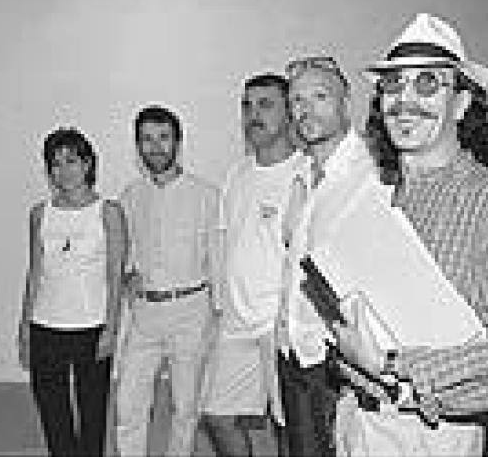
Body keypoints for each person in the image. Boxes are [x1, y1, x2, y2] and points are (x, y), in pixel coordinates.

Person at [336, 12, 488, 456]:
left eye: (427, 83)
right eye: (393, 84)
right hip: (360, 420)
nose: (405, 100)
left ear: (462, 104)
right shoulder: (380, 196)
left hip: (431, 435)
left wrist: (388, 365)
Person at [201, 73, 308, 456]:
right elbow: (225, 243)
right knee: (217, 416)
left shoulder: (305, 173)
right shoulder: (237, 174)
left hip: (279, 325)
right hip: (236, 322)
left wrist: (291, 320)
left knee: (289, 428)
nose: (253, 115)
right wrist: (220, 306)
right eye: (246, 106)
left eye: (265, 105)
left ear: (290, 113)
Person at [276, 55, 378, 456]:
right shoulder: (300, 175)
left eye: (320, 96)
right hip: (295, 354)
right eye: (297, 100)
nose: (306, 109)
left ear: (345, 102)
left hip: (341, 364)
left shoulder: (371, 175)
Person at [114, 105, 221, 456]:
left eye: (163, 138)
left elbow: (217, 257)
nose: (156, 147)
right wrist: (127, 275)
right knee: (128, 404)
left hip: (191, 311)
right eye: (147, 139)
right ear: (138, 146)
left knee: (185, 408)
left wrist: (219, 314)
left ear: (178, 142)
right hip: (144, 313)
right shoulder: (130, 196)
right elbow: (124, 251)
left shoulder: (206, 195)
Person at [17, 127, 127, 456]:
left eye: (71, 161)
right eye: (55, 163)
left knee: (92, 417)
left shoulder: (108, 212)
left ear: (88, 164)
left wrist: (111, 328)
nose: (64, 170)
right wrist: (25, 327)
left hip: (91, 328)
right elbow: (35, 272)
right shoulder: (40, 213)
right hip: (45, 327)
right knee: (54, 418)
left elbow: (115, 275)